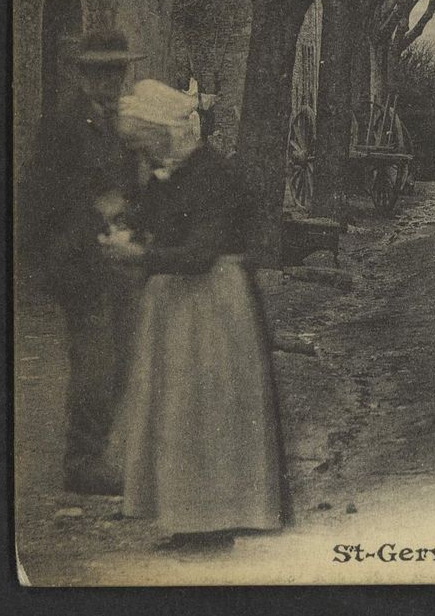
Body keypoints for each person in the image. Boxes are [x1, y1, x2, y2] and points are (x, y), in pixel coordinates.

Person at [108, 89, 285, 552]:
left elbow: (201, 254)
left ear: (162, 133)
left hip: (211, 302)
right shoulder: (171, 173)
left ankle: (216, 522)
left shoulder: (212, 174)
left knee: (207, 408)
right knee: (177, 410)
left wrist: (141, 255)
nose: (142, 155)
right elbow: (151, 216)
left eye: (144, 144)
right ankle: (188, 520)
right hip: (176, 300)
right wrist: (125, 225)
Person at [25, 29, 144, 496]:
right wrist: (95, 209)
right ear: (83, 74)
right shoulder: (61, 126)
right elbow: (40, 195)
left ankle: (98, 454)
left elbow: (133, 187)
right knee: (94, 364)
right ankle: (83, 461)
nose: (109, 81)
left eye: (116, 71)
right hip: (80, 262)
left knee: (122, 362)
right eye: (99, 71)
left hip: (120, 260)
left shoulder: (124, 123)